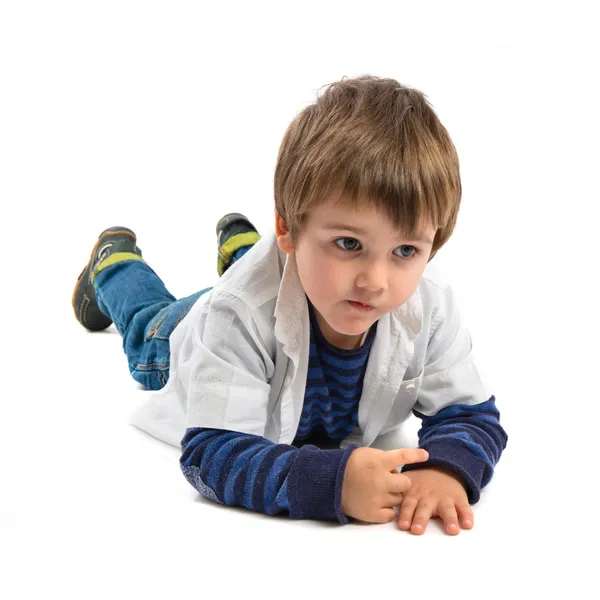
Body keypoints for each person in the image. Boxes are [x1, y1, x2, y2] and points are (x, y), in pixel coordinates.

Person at [72, 75, 508, 534]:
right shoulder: (235, 315)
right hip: (186, 333)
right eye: (348, 242)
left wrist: (444, 470)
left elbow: (472, 414)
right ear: (289, 228)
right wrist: (331, 484)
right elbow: (213, 454)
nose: (375, 281)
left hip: (285, 283)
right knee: (147, 329)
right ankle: (114, 265)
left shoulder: (430, 303)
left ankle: (243, 248)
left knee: (276, 280)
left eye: (405, 251)